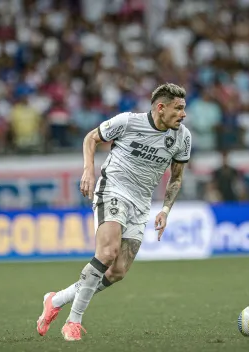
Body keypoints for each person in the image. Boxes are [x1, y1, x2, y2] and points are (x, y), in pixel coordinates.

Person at [36, 83, 192, 341]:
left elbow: (176, 177)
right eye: (178, 109)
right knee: (107, 253)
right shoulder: (128, 122)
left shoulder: (182, 137)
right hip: (114, 189)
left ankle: (56, 300)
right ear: (160, 108)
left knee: (118, 271)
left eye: (184, 109)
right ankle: (73, 322)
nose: (183, 115)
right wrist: (88, 169)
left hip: (141, 204)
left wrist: (165, 209)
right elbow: (91, 138)